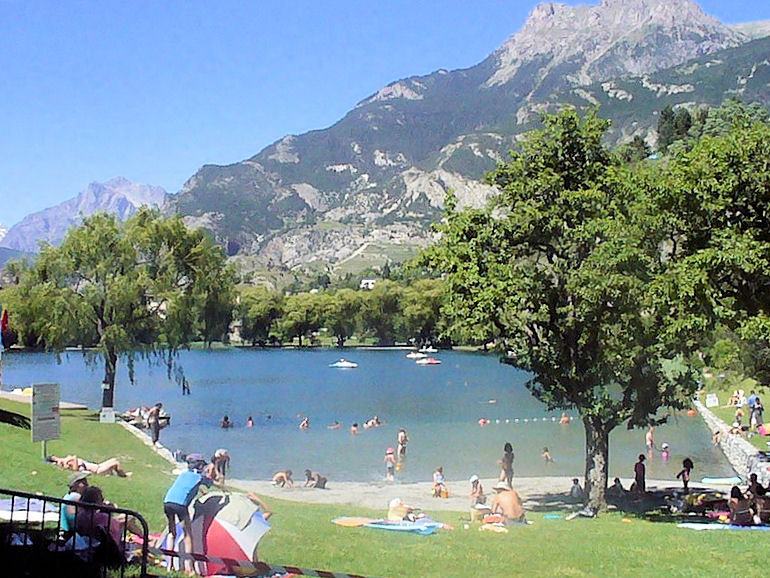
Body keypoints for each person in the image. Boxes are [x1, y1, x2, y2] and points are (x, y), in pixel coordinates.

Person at [163, 455, 218, 572]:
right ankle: (190, 567)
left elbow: (187, 487)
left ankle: (169, 566)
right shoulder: (199, 477)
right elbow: (211, 483)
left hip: (168, 502)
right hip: (180, 505)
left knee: (171, 533)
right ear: (201, 466)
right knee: (188, 535)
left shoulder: (183, 474)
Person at [47, 455, 132, 477]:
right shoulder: (63, 463)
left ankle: (121, 474)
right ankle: (124, 476)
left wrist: (72, 458)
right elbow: (75, 468)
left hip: (97, 466)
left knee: (114, 460)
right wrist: (73, 459)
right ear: (53, 459)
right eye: (53, 457)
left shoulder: (63, 460)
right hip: (97, 470)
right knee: (116, 463)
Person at [61, 471, 90, 536]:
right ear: (76, 485)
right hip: (73, 533)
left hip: (66, 531)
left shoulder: (67, 496)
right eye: (83, 483)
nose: (87, 485)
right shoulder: (76, 498)